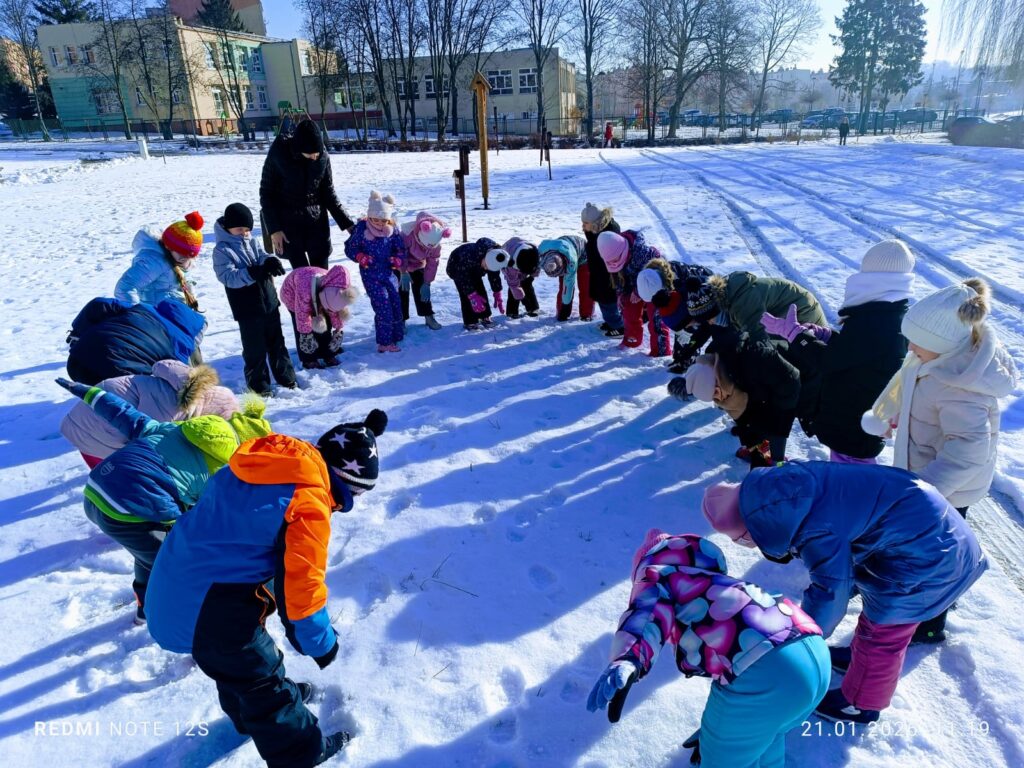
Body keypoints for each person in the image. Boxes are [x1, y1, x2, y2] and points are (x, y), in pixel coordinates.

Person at [145, 410, 389, 767]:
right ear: (346, 484)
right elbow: (302, 588)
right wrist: (322, 643)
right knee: (261, 673)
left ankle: (248, 719)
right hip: (207, 608)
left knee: (233, 667)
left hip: (174, 584)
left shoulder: (258, 466)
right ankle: (302, 752)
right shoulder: (309, 503)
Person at [703, 462, 987, 724]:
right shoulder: (790, 487)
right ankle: (858, 662)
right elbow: (846, 552)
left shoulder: (813, 527)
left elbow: (831, 591)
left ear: (753, 529)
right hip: (932, 530)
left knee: (882, 632)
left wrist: (800, 639)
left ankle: (861, 703)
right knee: (873, 616)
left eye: (744, 540)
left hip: (932, 560)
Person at [587, 529, 828, 768]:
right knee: (767, 734)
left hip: (764, 668)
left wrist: (629, 657)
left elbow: (648, 613)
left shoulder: (660, 575)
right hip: (814, 653)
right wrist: (728, 730)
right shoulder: (719, 586)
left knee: (722, 759)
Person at [862, 277, 1017, 643]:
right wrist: (900, 416)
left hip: (945, 491)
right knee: (928, 553)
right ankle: (928, 601)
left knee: (936, 558)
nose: (910, 347)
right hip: (925, 480)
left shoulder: (962, 389)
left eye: (917, 341)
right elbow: (917, 394)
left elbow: (967, 453)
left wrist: (924, 493)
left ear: (944, 344)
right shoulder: (932, 360)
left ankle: (931, 623)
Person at [55, 378, 271, 623]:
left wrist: (89, 392)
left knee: (152, 554)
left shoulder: (172, 429)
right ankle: (203, 628)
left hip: (95, 492)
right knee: (180, 567)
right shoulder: (225, 469)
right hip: (130, 511)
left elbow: (124, 414)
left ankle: (145, 609)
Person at [766, 240, 915, 463]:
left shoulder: (877, 320)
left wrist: (796, 336)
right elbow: (854, 353)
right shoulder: (886, 312)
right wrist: (825, 335)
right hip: (853, 421)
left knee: (850, 485)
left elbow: (829, 361)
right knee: (847, 476)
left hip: (852, 427)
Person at [60, 360, 237, 468]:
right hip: (99, 432)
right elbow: (150, 446)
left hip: (80, 423)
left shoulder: (177, 382)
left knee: (107, 480)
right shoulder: (173, 412)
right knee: (131, 484)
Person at [669, 323, 803, 466]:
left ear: (716, 382)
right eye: (714, 397)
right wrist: (752, 444)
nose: (717, 399)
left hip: (798, 380)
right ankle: (759, 450)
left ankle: (776, 461)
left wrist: (773, 430)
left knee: (773, 427)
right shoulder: (723, 385)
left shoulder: (750, 359)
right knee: (754, 425)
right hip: (767, 389)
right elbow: (743, 418)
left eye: (715, 393)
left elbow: (789, 387)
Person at [212, 202, 297, 396]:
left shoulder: (251, 240)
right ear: (228, 227)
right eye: (239, 229)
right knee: (255, 350)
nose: (244, 233)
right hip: (247, 308)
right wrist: (255, 272)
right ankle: (259, 387)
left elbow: (261, 255)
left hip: (268, 301)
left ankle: (287, 378)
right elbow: (228, 277)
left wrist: (269, 260)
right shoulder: (222, 250)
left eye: (247, 229)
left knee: (277, 343)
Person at [259, 119, 354, 270]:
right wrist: (274, 229)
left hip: (316, 222)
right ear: (298, 148)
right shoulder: (278, 155)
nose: (314, 157)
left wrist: (347, 223)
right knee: (303, 279)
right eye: (310, 154)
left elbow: (328, 192)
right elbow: (267, 194)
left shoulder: (322, 157)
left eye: (317, 153)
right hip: (288, 224)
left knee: (322, 277)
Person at [65, 297, 206, 385]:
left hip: (76, 361)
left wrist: (79, 333)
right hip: (115, 376)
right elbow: (178, 380)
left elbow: (98, 304)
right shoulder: (183, 344)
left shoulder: (143, 308)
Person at [344, 190, 406, 352]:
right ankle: (384, 343)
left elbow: (400, 248)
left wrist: (398, 258)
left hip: (388, 273)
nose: (379, 223)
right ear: (369, 216)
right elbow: (350, 247)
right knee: (383, 305)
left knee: (395, 302)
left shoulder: (392, 230)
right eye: (375, 220)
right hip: (371, 275)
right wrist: (360, 256)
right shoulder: (362, 229)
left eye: (383, 220)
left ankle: (396, 335)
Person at [692, 271, 827, 342]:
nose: (710, 322)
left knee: (802, 355)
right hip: (791, 310)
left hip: (804, 312)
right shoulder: (730, 298)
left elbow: (759, 340)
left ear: (717, 308)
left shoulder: (742, 304)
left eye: (709, 318)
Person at [596, 230, 671, 356]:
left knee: (656, 317)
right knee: (628, 310)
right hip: (632, 284)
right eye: (610, 261)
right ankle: (632, 340)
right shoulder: (612, 256)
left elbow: (654, 277)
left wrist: (638, 292)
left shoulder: (642, 253)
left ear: (621, 251)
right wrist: (620, 294)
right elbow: (618, 278)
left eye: (615, 259)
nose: (613, 263)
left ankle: (660, 350)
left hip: (655, 284)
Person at [635, 258, 714, 372]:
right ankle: (678, 358)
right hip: (683, 297)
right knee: (680, 330)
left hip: (701, 294)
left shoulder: (682, 283)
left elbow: (694, 319)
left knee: (689, 330)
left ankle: (687, 362)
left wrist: (691, 327)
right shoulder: (650, 279)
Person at [115, 212, 203, 310]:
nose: (185, 258)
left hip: (175, 314)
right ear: (168, 246)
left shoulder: (183, 261)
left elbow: (185, 283)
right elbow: (125, 287)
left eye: (189, 256)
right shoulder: (153, 261)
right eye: (182, 254)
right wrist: (136, 313)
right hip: (155, 317)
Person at [279, 265, 358, 369]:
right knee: (303, 327)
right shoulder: (305, 291)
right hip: (293, 295)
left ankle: (327, 354)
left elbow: (334, 312)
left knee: (326, 322)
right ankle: (309, 359)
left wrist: (338, 330)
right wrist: (306, 335)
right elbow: (302, 317)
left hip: (317, 292)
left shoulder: (337, 290)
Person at [399, 211, 451, 330]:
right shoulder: (407, 235)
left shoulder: (435, 243)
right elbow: (400, 254)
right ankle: (401, 320)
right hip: (401, 266)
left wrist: (427, 282)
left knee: (422, 291)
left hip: (419, 265)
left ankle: (428, 316)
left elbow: (433, 263)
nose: (429, 248)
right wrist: (403, 271)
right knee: (402, 291)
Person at [580, 203, 624, 338]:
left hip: (606, 275)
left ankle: (619, 327)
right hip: (600, 273)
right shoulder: (599, 230)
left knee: (607, 302)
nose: (582, 226)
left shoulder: (605, 235)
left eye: (585, 223)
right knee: (605, 301)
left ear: (594, 223)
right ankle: (611, 322)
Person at [446, 238, 509, 330]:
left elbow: (494, 276)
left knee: (480, 290)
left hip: (475, 269)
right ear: (485, 257)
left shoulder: (496, 256)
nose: (486, 269)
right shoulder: (469, 256)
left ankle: (485, 316)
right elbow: (464, 279)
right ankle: (470, 321)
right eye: (486, 266)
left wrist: (497, 292)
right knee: (467, 295)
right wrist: (472, 295)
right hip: (457, 268)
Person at [538, 235, 592, 322]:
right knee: (563, 287)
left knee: (585, 286)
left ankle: (586, 314)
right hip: (562, 249)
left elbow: (569, 286)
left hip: (584, 256)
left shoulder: (571, 262)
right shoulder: (541, 254)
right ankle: (561, 312)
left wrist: (565, 308)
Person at [502, 237, 542, 319]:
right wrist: (524, 301)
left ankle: (533, 308)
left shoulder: (535, 254)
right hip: (509, 257)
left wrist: (533, 273)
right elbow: (514, 285)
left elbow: (537, 266)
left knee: (527, 284)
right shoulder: (510, 264)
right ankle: (512, 312)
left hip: (525, 259)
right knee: (514, 288)